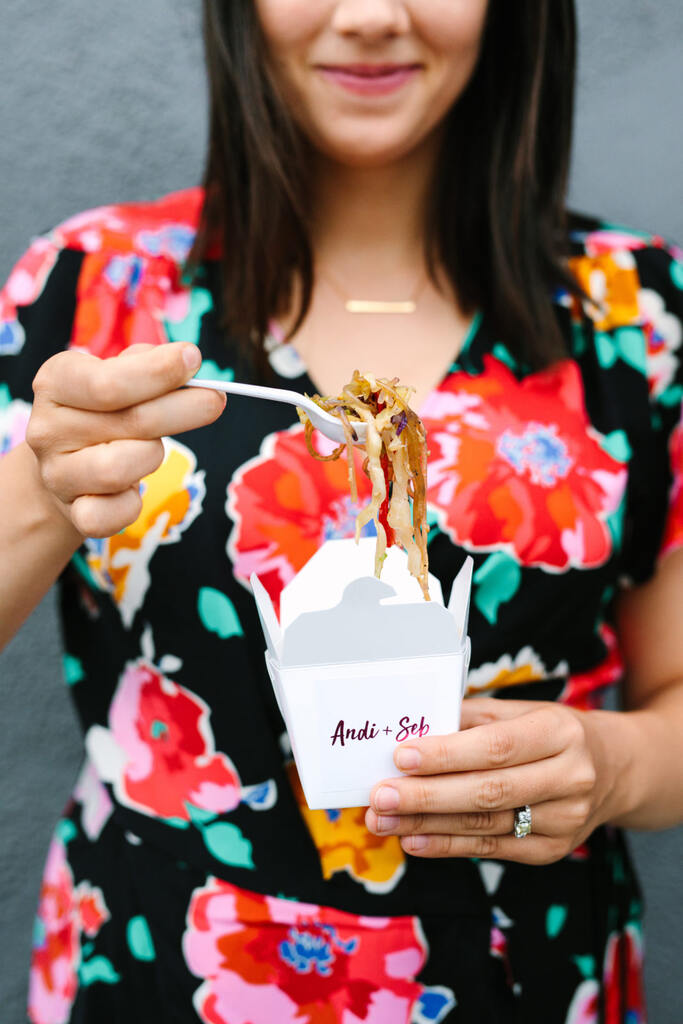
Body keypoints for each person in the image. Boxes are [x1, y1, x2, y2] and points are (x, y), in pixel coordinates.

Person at [1, 1, 682, 1020]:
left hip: (523, 973)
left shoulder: (635, 314)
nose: (370, 15)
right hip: (153, 962)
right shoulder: (92, 288)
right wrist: (39, 487)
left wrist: (611, 764)